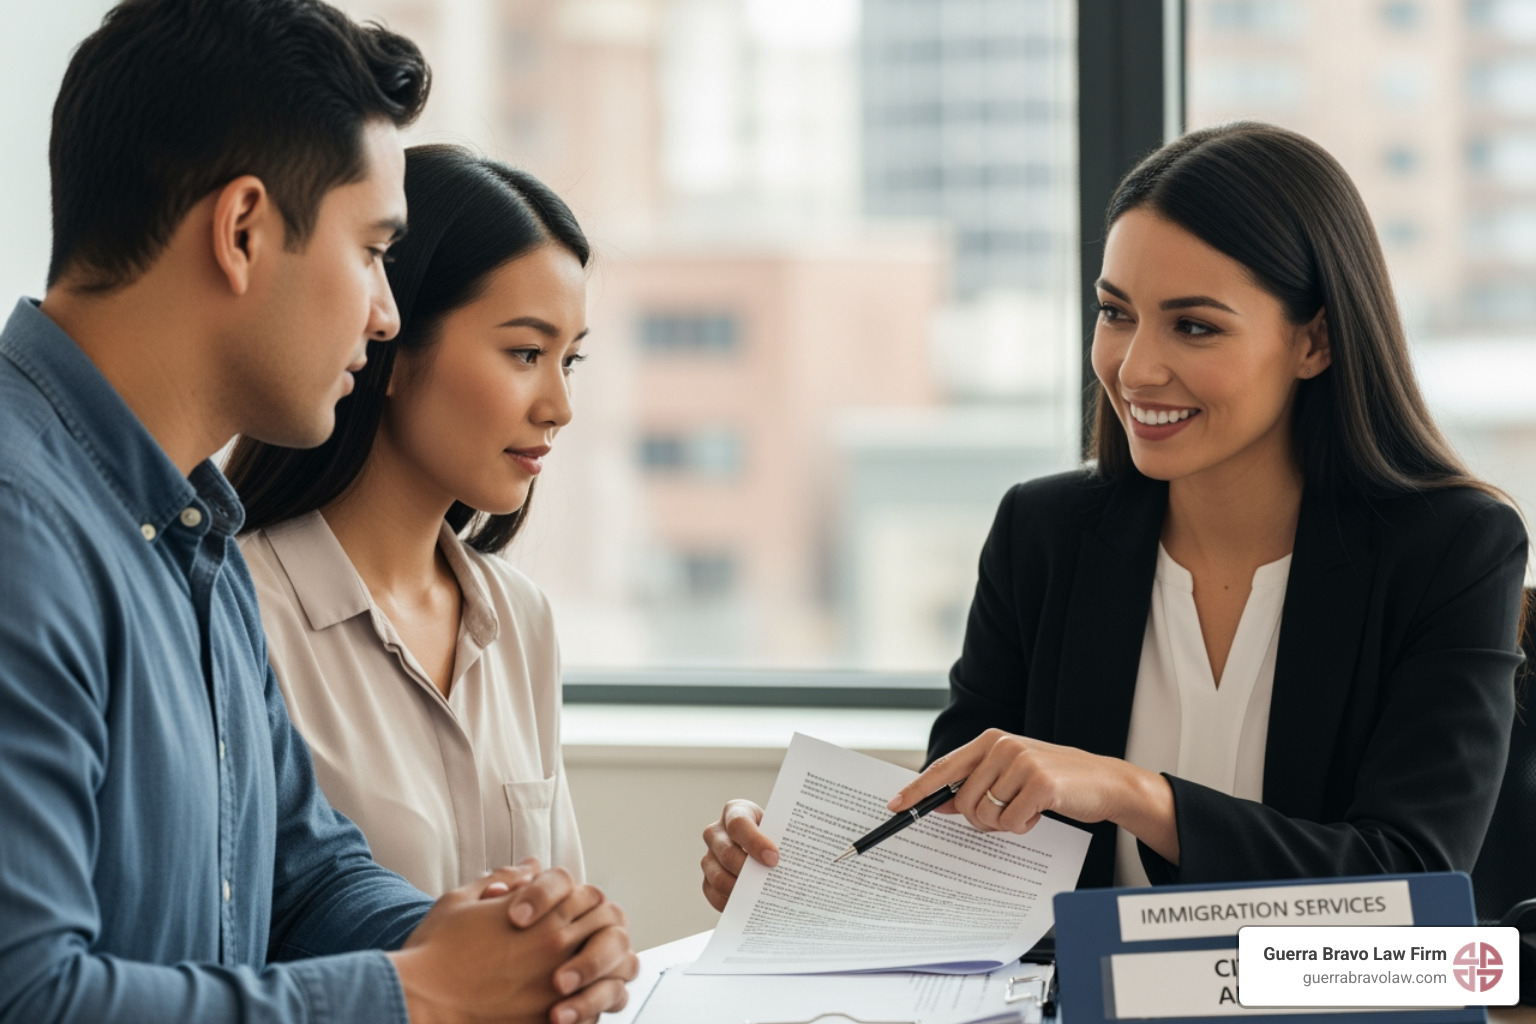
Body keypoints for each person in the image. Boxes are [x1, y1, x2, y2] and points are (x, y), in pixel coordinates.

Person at [701, 122, 1528, 907]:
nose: (1134, 368)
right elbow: (968, 842)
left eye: (1194, 326)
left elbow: (1410, 880)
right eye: (1115, 312)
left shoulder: (1453, 549)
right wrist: (798, 870)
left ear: (1314, 342)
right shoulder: (1044, 536)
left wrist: (1135, 794)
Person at [0, 1, 634, 1022]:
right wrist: (415, 991)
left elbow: (304, 875)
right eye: (375, 249)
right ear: (244, 229)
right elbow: (29, 995)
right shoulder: (22, 532)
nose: (385, 312)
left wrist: (498, 940)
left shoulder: (188, 540)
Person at [224, 146, 588, 898]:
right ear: (388, 343)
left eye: (569, 361)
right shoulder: (240, 613)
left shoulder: (521, 620)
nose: (559, 407)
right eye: (525, 352)